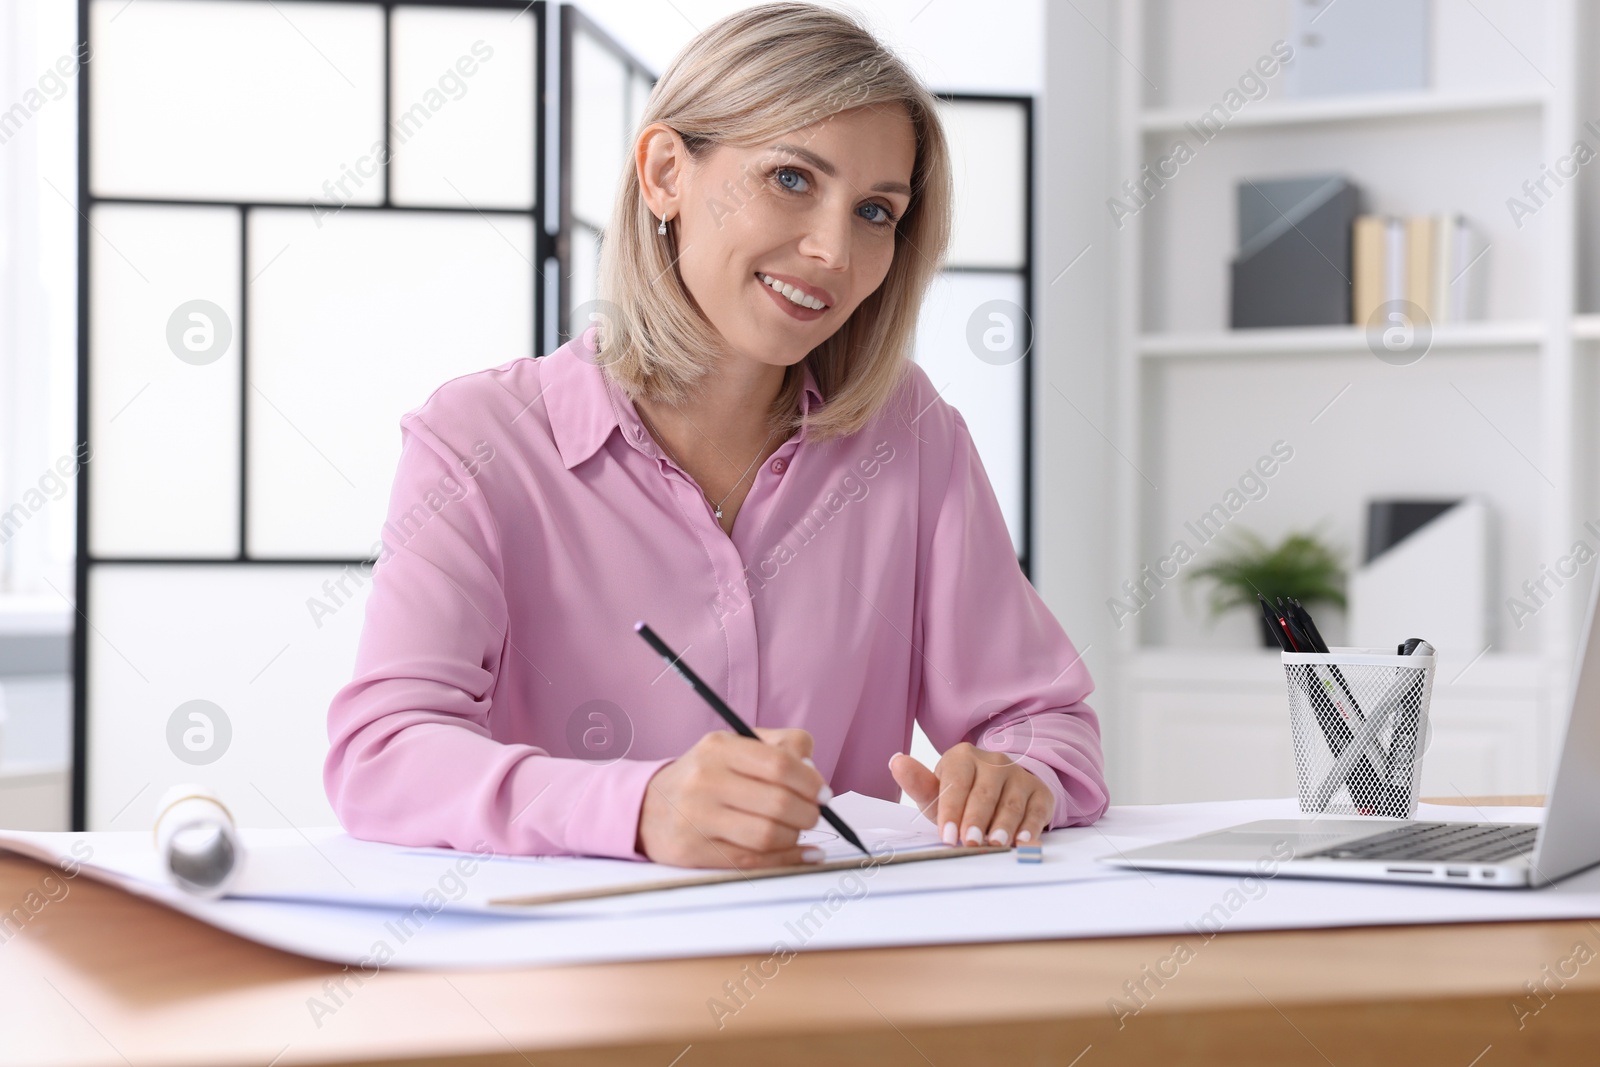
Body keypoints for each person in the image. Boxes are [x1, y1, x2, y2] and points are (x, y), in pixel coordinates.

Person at [323, 1, 1108, 869]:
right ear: (665, 172)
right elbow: (384, 754)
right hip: (566, 981)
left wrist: (1014, 773)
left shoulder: (911, 438)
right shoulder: (480, 440)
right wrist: (640, 806)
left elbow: (1046, 724)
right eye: (793, 179)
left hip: (842, 968)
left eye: (876, 212)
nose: (834, 252)